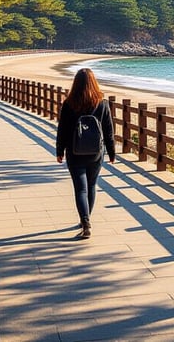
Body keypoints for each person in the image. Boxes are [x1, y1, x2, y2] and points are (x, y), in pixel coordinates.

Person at [56, 68, 115, 239]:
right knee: (91, 186)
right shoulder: (102, 104)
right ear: (94, 82)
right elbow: (108, 131)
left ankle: (85, 221)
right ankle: (86, 220)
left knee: (80, 189)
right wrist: (112, 152)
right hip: (96, 153)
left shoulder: (69, 104)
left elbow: (63, 130)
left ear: (76, 84)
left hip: (74, 152)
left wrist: (59, 151)